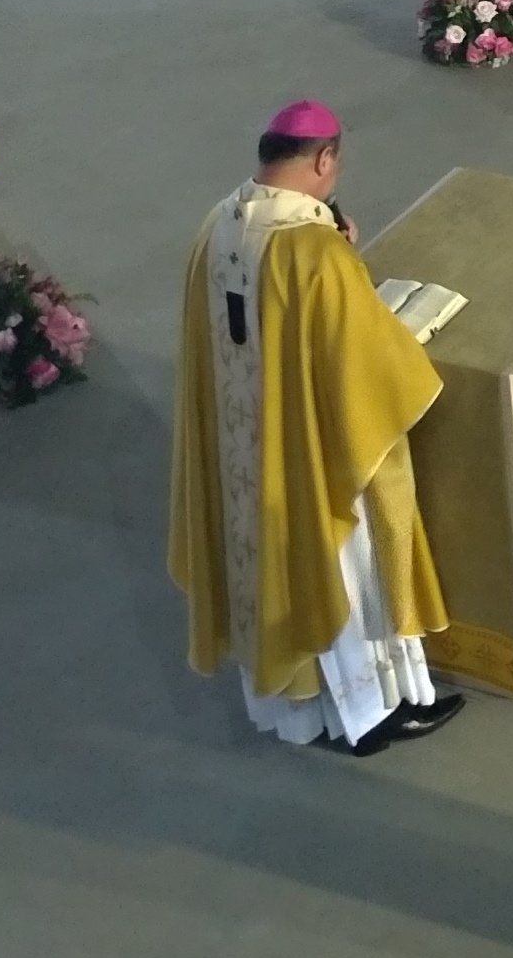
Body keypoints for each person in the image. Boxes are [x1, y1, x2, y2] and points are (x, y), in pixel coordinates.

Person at [165, 102, 462, 754]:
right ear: (324, 160)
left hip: (245, 453)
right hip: (310, 455)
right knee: (345, 571)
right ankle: (371, 714)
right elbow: (367, 360)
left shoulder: (218, 224)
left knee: (265, 566)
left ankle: (297, 715)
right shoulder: (312, 251)